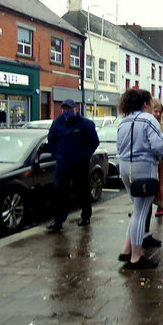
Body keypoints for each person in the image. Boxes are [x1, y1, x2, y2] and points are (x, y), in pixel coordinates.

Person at [117, 89, 163, 269]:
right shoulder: (148, 120)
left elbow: (119, 146)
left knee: (136, 208)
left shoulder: (123, 121)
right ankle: (136, 257)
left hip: (124, 166)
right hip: (143, 166)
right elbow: (158, 146)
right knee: (141, 212)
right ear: (145, 104)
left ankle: (126, 251)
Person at [46, 99, 100, 232]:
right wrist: (56, 155)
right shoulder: (57, 123)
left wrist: (83, 157)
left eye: (69, 109)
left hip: (79, 165)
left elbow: (94, 142)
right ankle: (58, 220)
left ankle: (85, 216)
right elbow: (51, 140)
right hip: (63, 164)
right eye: (64, 109)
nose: (66, 112)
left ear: (76, 109)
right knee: (60, 192)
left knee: (82, 191)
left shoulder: (86, 124)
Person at [136, 98, 163, 249]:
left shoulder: (160, 125)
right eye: (155, 111)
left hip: (156, 164)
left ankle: (143, 235)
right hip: (148, 164)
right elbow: (156, 146)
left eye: (159, 111)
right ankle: (141, 238)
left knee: (151, 197)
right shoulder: (147, 123)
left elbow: (161, 143)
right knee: (144, 202)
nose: (158, 114)